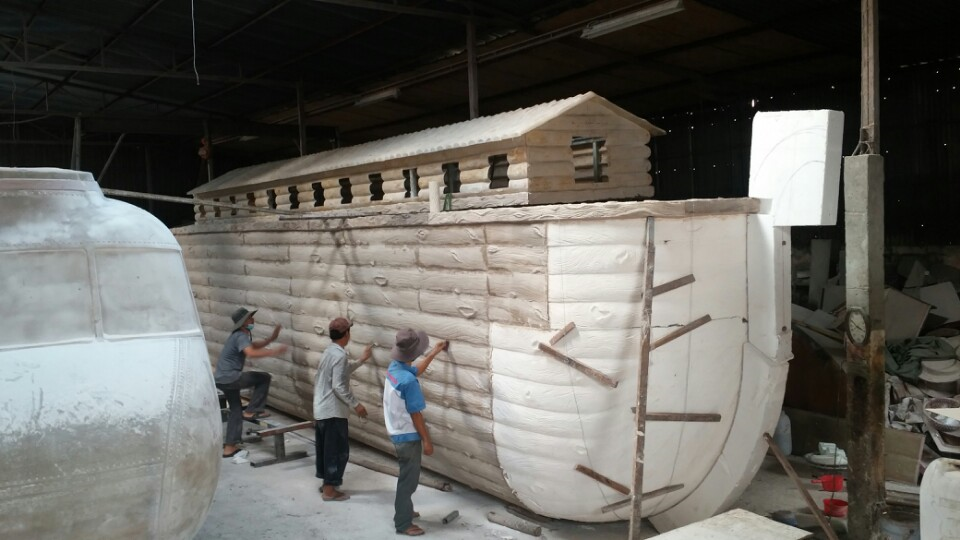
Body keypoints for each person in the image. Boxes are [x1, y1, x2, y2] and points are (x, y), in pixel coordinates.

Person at [382, 328, 448, 536]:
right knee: (408, 481)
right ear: (415, 352)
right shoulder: (408, 382)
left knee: (407, 477)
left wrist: (434, 352)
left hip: (395, 430)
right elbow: (416, 415)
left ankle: (406, 510)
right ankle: (403, 523)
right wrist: (426, 440)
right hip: (407, 436)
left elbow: (415, 371)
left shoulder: (395, 368)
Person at [214, 307, 288, 458]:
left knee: (235, 409)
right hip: (231, 377)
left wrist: (271, 339)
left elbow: (253, 346)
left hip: (221, 379)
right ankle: (251, 410)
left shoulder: (238, 336)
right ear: (243, 323)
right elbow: (251, 353)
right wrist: (273, 352)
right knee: (264, 378)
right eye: (249, 318)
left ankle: (230, 447)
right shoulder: (241, 335)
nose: (252, 320)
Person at [313, 317, 372, 502]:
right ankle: (329, 491)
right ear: (346, 333)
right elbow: (338, 385)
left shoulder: (330, 351)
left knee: (326, 449)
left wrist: (362, 360)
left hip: (322, 409)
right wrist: (356, 404)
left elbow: (342, 371)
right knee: (337, 451)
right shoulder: (339, 355)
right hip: (333, 411)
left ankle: (327, 484)